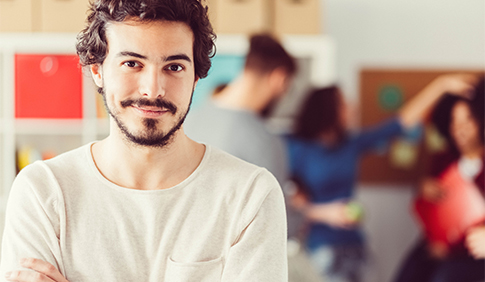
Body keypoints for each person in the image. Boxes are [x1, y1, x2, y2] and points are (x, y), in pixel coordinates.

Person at [0, 0, 288, 281]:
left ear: (196, 78)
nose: (153, 89)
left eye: (174, 67)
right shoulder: (43, 191)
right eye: (132, 63)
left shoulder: (250, 195)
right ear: (97, 70)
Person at [286, 74, 479, 282]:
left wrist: (441, 86)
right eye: (344, 103)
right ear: (327, 110)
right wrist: (324, 213)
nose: (353, 106)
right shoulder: (296, 149)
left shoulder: (350, 144)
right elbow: (286, 205)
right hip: (320, 249)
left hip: (355, 245)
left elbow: (400, 122)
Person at [393, 77, 485, 282]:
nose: (460, 128)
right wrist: (423, 189)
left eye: (468, 120)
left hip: (470, 250)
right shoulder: (443, 160)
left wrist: (451, 248)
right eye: (454, 121)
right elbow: (426, 209)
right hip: (435, 243)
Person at [184, 33, 296, 186]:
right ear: (279, 78)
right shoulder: (264, 141)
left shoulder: (186, 121)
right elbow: (276, 208)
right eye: (286, 88)